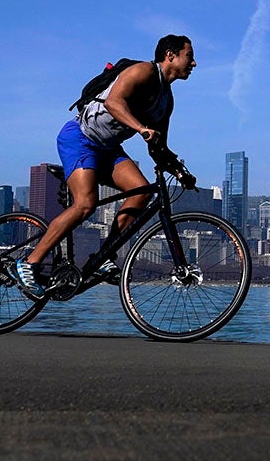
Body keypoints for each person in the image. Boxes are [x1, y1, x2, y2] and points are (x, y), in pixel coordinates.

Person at [13, 34, 197, 297]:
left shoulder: (166, 101)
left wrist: (179, 170)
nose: (194, 63)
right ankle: (28, 263)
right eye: (189, 56)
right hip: (81, 138)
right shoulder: (143, 71)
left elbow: (158, 148)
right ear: (170, 55)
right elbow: (113, 102)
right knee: (86, 204)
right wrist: (141, 128)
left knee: (143, 191)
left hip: (108, 150)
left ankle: (103, 257)